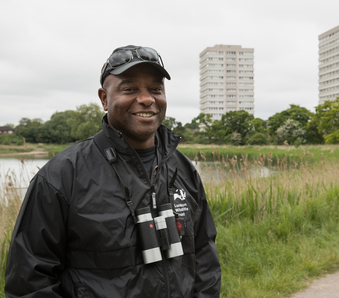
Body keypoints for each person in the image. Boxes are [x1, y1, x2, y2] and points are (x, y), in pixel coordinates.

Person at [5, 45, 221, 297]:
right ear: (104, 99)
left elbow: (204, 254)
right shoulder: (61, 176)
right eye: (129, 89)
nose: (147, 99)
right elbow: (30, 280)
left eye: (155, 89)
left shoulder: (184, 169)